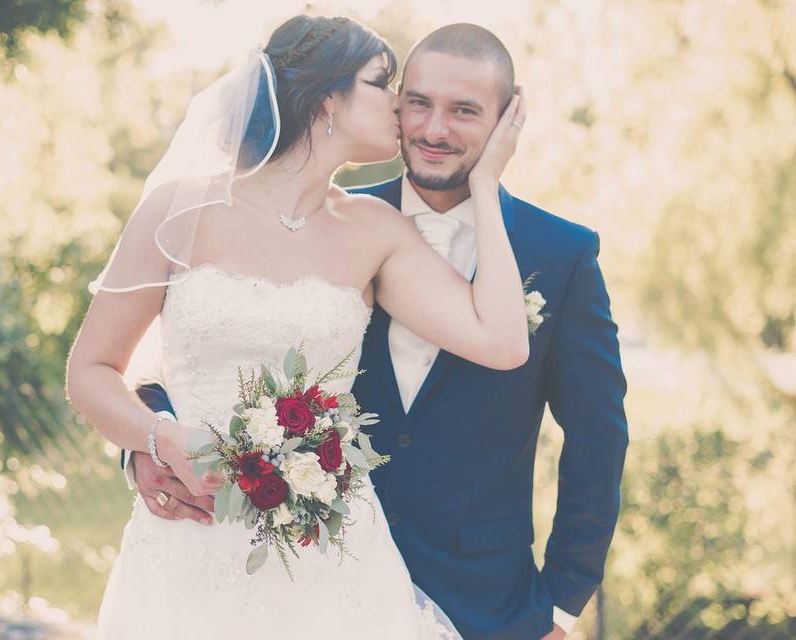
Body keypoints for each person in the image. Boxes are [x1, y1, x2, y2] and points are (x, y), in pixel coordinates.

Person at [127, 22, 628, 640]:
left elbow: (597, 438)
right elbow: (195, 353)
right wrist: (143, 447)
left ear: (507, 119)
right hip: (303, 567)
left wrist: (558, 604)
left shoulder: (562, 253)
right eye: (416, 101)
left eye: (464, 111)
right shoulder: (321, 221)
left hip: (489, 603)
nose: (433, 128)